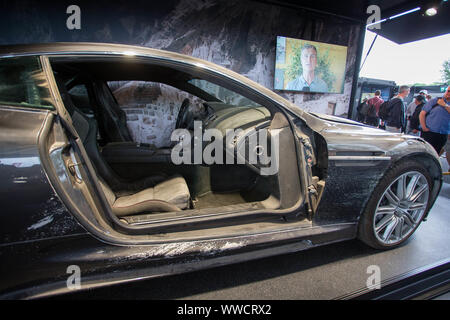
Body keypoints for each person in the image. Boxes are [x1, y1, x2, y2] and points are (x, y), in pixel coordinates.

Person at [419, 85, 450, 154]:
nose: (449, 93)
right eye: (448, 91)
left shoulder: (444, 103)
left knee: (436, 153)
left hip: (443, 133)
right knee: (425, 152)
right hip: (429, 132)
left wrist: (445, 105)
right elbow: (422, 114)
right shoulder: (435, 100)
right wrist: (424, 127)